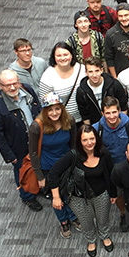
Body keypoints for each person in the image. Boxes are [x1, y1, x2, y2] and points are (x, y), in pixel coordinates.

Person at [47, 125, 116, 257]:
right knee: (86, 221)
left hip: (101, 194)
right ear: (79, 141)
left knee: (103, 218)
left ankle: (104, 236)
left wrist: (113, 193)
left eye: (92, 138)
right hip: (78, 196)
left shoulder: (104, 153)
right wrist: (56, 196)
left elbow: (111, 174)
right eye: (85, 140)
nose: (89, 143)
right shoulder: (72, 156)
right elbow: (53, 173)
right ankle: (91, 240)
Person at [0, 69, 42, 211]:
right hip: (18, 148)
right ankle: (27, 197)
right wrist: (10, 156)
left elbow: (38, 108)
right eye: (7, 85)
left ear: (19, 82)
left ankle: (39, 187)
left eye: (14, 83)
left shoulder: (27, 89)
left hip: (37, 141)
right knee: (23, 173)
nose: (12, 88)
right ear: (0, 86)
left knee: (38, 166)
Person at [28, 92, 78, 237]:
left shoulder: (69, 121)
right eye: (50, 109)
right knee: (57, 197)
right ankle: (64, 221)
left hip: (67, 165)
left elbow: (73, 145)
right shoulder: (37, 127)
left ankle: (72, 216)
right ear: (44, 111)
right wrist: (39, 176)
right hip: (48, 167)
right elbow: (33, 153)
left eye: (57, 108)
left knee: (69, 193)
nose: (54, 113)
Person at [92, 96, 129, 232]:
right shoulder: (97, 129)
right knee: (119, 194)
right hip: (111, 169)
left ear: (119, 110)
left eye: (114, 112)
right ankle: (123, 213)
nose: (111, 116)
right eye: (107, 113)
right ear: (102, 113)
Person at [39, 42, 86, 124]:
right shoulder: (48, 76)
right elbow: (45, 103)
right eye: (59, 56)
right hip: (62, 122)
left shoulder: (82, 69)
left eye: (66, 54)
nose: (63, 58)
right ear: (54, 57)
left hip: (84, 119)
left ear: (71, 55)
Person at [76, 56, 128, 125]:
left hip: (115, 123)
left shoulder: (114, 84)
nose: (94, 75)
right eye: (90, 72)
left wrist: (121, 125)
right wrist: (91, 129)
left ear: (101, 70)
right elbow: (84, 114)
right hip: (95, 125)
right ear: (86, 73)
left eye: (97, 71)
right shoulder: (82, 91)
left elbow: (123, 106)